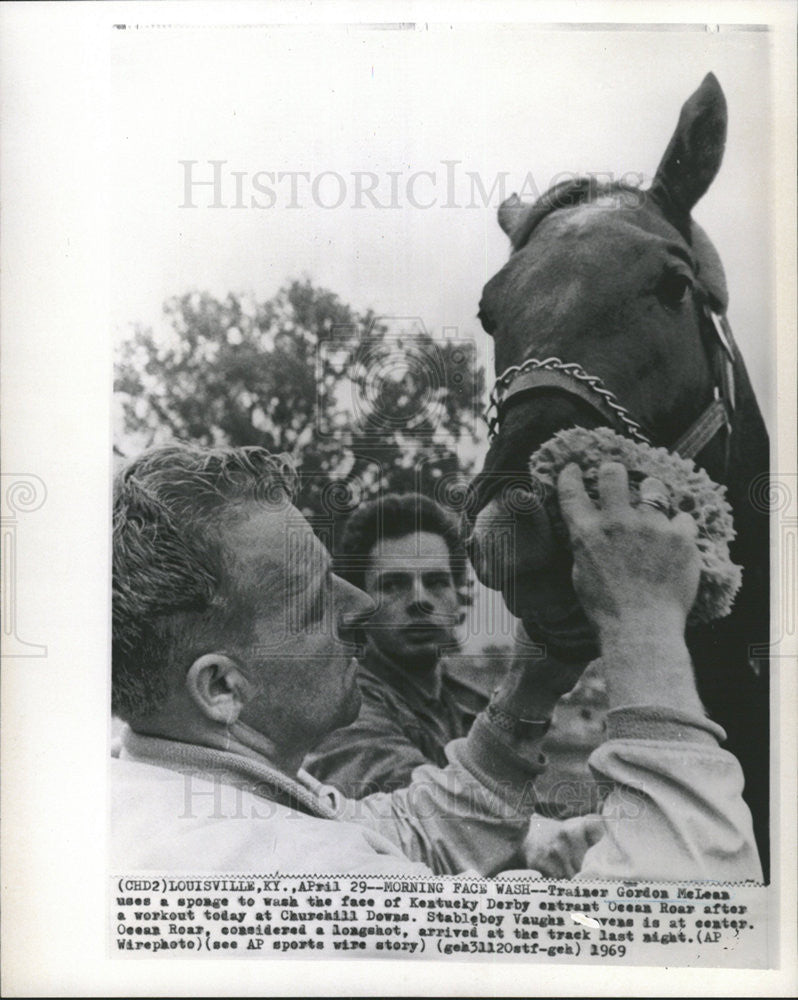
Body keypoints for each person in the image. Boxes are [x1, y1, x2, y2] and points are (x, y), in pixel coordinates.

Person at [111, 443, 762, 880]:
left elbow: (400, 833)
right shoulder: (309, 877)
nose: (361, 604)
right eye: (316, 600)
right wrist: (646, 624)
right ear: (222, 687)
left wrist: (533, 684)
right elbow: (680, 932)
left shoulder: (165, 783)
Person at [305, 493, 487, 797]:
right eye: (392, 584)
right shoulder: (345, 707)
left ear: (459, 596)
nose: (420, 600)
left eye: (436, 581)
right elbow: (426, 811)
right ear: (359, 604)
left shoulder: (469, 707)